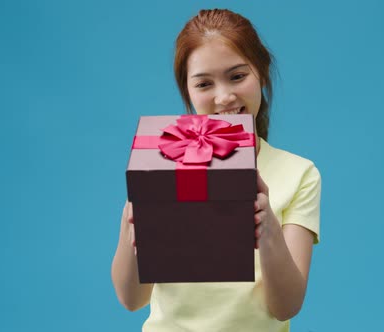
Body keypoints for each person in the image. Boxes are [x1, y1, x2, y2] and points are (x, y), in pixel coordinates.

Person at [111, 8, 321, 332]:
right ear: (188, 91)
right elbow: (131, 299)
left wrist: (269, 230)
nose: (224, 97)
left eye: (237, 76)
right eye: (204, 84)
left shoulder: (300, 174)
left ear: (261, 74)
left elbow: (286, 306)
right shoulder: (165, 162)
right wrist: (133, 223)